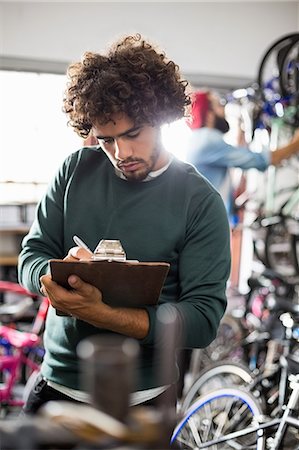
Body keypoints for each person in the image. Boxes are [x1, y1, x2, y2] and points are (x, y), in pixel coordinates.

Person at [18, 34, 231, 416]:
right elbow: (31, 256)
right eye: (107, 139)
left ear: (163, 115)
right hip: (57, 387)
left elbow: (202, 321)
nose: (122, 153)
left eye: (133, 134)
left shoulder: (199, 201)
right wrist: (52, 277)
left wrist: (103, 314)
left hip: (144, 402)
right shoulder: (74, 171)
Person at [185, 90, 299, 215]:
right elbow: (261, 160)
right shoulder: (208, 140)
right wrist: (295, 143)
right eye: (219, 105)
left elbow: (233, 157)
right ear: (208, 115)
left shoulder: (198, 139)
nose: (224, 111)